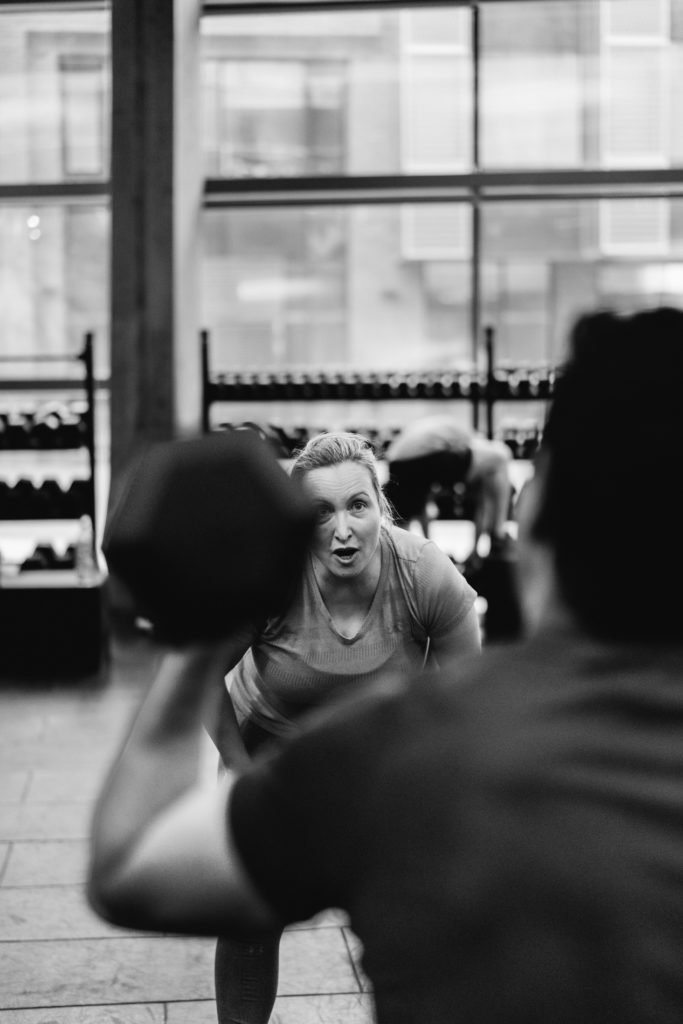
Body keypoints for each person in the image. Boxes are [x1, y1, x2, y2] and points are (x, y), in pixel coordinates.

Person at [89, 306, 683, 1022]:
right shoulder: (418, 741)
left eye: (358, 508)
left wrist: (190, 639)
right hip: (273, 732)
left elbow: (130, 868)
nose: (342, 531)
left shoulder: (406, 754)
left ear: (535, 504)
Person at [203, 430, 481, 1023]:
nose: (342, 528)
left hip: (382, 756)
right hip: (273, 752)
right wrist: (239, 772)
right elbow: (202, 676)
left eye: (357, 505)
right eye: (319, 512)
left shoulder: (423, 572)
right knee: (253, 912)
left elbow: (468, 698)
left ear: (379, 505)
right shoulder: (269, 576)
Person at [383, 414, 514, 563]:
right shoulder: (468, 439)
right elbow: (482, 500)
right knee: (501, 456)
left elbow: (423, 506)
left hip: (396, 461)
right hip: (419, 458)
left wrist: (430, 547)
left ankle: (425, 555)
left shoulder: (434, 435)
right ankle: (498, 535)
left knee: (406, 515)